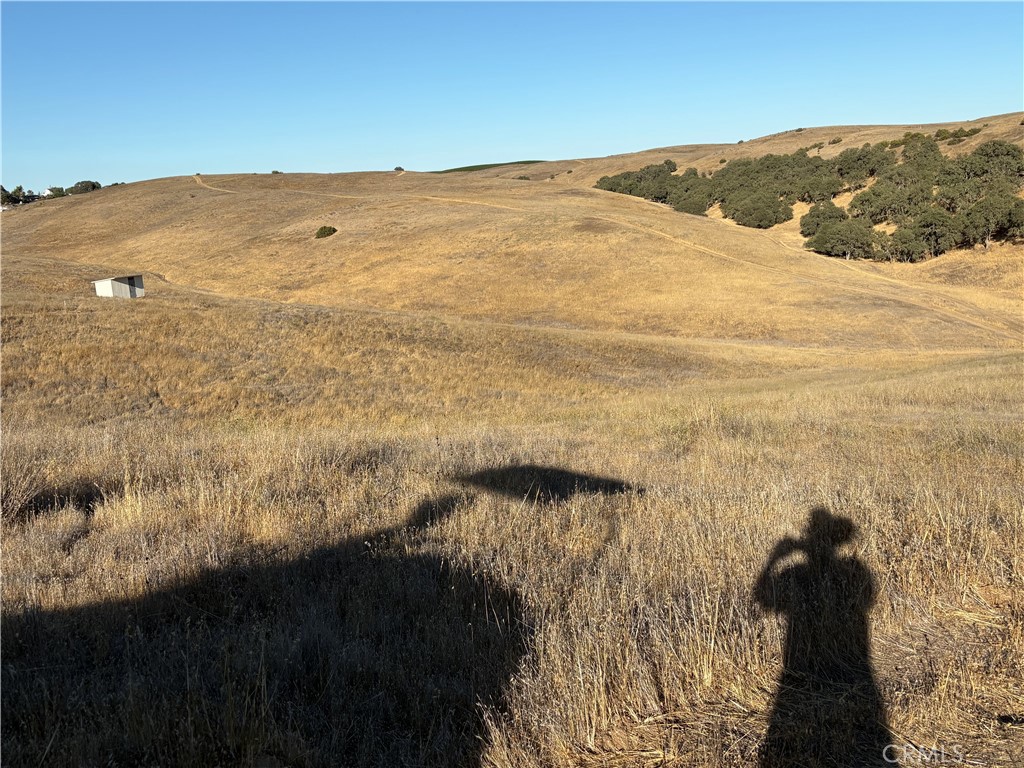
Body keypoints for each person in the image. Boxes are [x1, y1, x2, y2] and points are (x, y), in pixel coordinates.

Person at [754, 507, 892, 767]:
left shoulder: (797, 570)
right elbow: (868, 598)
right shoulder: (855, 568)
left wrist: (774, 558)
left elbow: (762, 597)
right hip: (852, 662)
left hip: (800, 667)